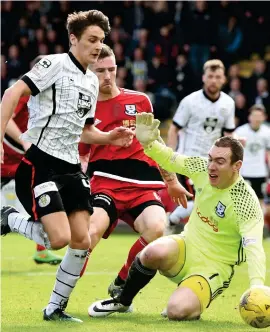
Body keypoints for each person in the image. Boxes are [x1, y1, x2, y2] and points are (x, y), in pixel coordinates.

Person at [0, 10, 134, 323]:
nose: (98, 46)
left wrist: (110, 138)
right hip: (41, 164)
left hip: (72, 168)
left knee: (82, 240)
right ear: (73, 39)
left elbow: (85, 131)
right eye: (92, 39)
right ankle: (8, 217)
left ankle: (54, 308)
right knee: (56, 239)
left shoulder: (91, 80)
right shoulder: (53, 64)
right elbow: (11, 93)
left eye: (101, 40)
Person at [88, 113, 266, 320]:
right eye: (210, 159)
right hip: (186, 246)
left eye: (220, 161)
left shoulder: (246, 202)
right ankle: (122, 301)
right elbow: (170, 158)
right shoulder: (202, 169)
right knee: (151, 252)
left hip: (214, 266)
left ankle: (189, 301)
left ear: (237, 166)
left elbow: (254, 248)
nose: (211, 166)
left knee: (176, 311)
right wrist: (149, 143)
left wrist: (257, 288)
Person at [78, 44, 192, 298]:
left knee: (157, 228)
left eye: (111, 69)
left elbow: (155, 144)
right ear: (88, 72)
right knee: (90, 233)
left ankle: (122, 281)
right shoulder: (85, 108)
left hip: (142, 186)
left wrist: (171, 180)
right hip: (106, 184)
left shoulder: (139, 101)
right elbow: (83, 153)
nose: (107, 76)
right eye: (100, 71)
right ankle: (60, 297)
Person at [1, 55, 62, 265]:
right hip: (8, 153)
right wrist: (24, 142)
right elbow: (5, 118)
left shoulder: (50, 94)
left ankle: (42, 250)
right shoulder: (23, 91)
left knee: (44, 195)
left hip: (24, 157)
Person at [166, 59, 236, 234]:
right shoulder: (190, 101)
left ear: (223, 79)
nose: (213, 80)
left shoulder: (228, 104)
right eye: (210, 76)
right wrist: (170, 155)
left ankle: (171, 222)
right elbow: (174, 128)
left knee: (208, 203)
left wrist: (231, 157)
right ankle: (170, 224)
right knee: (197, 201)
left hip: (212, 162)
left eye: (217, 76)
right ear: (204, 78)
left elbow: (228, 135)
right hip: (189, 159)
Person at [234, 104, 270, 237]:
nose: (256, 118)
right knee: (244, 202)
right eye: (254, 115)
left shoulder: (267, 132)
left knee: (261, 201)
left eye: (259, 116)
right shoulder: (240, 131)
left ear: (264, 117)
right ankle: (243, 230)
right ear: (249, 117)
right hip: (245, 172)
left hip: (261, 173)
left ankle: (257, 230)